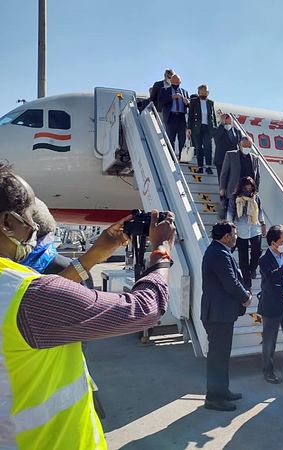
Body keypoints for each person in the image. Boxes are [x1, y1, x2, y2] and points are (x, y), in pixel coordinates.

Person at [0, 162, 175, 449]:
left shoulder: (18, 290)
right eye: (30, 215)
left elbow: (47, 297)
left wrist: (94, 254)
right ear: (8, 223)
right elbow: (146, 308)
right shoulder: (28, 296)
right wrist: (161, 252)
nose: (35, 225)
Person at [201, 221, 253, 412]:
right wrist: (246, 296)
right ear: (226, 237)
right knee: (217, 357)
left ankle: (222, 390)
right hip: (217, 314)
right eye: (235, 233)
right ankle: (214, 397)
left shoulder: (218, 251)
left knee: (222, 356)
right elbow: (230, 282)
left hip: (220, 313)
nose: (237, 237)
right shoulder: (219, 254)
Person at [258, 225, 283, 383]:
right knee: (270, 340)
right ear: (273, 243)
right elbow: (270, 278)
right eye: (282, 241)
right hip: (272, 304)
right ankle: (268, 370)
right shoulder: (265, 259)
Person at [226, 177, 266, 289]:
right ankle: (247, 283)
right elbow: (230, 212)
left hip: (255, 228)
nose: (248, 188)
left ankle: (253, 268)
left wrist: (263, 224)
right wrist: (229, 226)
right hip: (240, 230)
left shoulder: (256, 198)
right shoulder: (235, 198)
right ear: (241, 186)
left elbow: (260, 212)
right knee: (243, 258)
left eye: (250, 186)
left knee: (256, 252)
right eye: (246, 186)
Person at [220, 137, 260, 218]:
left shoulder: (255, 158)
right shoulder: (230, 155)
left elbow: (257, 176)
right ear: (239, 145)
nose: (247, 148)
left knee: (247, 215)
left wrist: (256, 190)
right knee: (232, 213)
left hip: (249, 192)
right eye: (245, 146)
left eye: (249, 146)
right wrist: (222, 188)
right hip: (234, 191)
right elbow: (224, 173)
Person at [187, 84, 218, 174]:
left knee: (208, 147)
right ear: (199, 92)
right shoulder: (193, 102)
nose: (204, 93)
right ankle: (200, 166)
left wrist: (214, 127)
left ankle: (208, 166)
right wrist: (188, 128)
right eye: (202, 92)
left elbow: (213, 116)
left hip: (208, 127)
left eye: (206, 92)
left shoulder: (210, 103)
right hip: (197, 127)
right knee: (199, 147)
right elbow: (190, 116)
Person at [159, 74, 190, 158]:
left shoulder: (184, 92)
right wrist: (172, 97)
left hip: (181, 117)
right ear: (171, 81)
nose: (176, 84)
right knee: (171, 138)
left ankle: (182, 157)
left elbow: (189, 105)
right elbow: (160, 102)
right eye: (174, 82)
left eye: (177, 82)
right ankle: (171, 157)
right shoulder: (165, 90)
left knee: (182, 139)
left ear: (180, 82)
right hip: (171, 117)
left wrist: (188, 102)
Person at [213, 114, 242, 179]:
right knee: (222, 181)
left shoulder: (237, 132)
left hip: (232, 160)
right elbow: (217, 137)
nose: (228, 124)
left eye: (229, 122)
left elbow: (240, 144)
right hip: (221, 160)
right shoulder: (217, 130)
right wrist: (222, 125)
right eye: (226, 122)